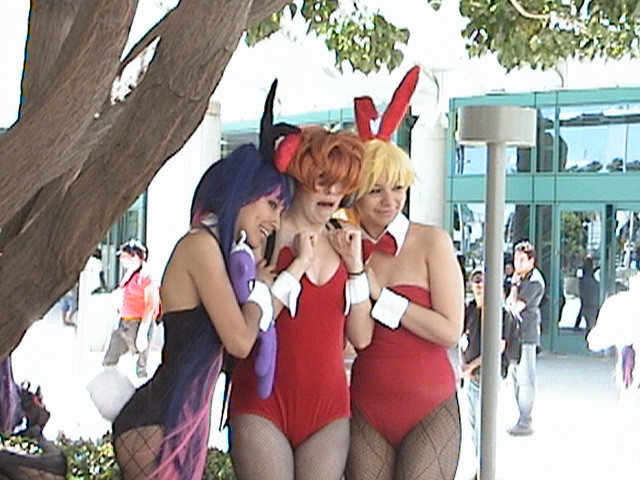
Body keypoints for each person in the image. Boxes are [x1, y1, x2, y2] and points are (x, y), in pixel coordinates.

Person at [110, 82, 293, 480]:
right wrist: (261, 290)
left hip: (178, 424)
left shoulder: (220, 256)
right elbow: (241, 340)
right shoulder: (200, 247)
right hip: (157, 424)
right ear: (241, 193)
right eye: (271, 204)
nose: (275, 220)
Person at [229, 125, 373, 480]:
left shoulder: (345, 241)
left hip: (328, 410)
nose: (331, 191)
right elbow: (250, 325)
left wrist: (356, 268)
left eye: (340, 183)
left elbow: (361, 337)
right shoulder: (267, 235)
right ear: (300, 177)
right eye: (321, 180)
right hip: (262, 402)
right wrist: (298, 265)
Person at [346, 66, 464, 480]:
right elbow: (351, 341)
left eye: (397, 187)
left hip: (431, 405)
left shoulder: (432, 242)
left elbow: (450, 331)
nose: (389, 200)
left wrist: (382, 297)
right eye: (375, 190)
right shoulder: (344, 248)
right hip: (366, 405)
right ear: (355, 194)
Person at [460, 267, 511, 480]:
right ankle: (479, 469)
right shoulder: (469, 310)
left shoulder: (499, 313)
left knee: (484, 429)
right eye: (476, 281)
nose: (479, 285)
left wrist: (471, 366)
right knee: (473, 428)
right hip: (469, 378)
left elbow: (497, 347)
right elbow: (461, 339)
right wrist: (464, 367)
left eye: (483, 280)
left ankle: (484, 471)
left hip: (486, 378)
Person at [102, 240, 159, 378]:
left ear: (135, 257)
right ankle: (108, 383)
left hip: (138, 323)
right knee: (109, 359)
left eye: (124, 256)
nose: (122, 260)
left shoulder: (146, 276)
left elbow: (150, 304)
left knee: (141, 365)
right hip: (124, 322)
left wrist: (143, 330)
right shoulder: (130, 274)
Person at [505, 240, 545, 436]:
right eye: (516, 259)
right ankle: (521, 417)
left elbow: (515, 306)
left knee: (525, 378)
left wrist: (514, 286)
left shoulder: (534, 282)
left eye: (522, 260)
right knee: (514, 378)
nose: (518, 264)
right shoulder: (519, 279)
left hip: (527, 335)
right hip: (514, 335)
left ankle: (525, 420)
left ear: (531, 261)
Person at [573, 256, 600, 332]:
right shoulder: (594, 282)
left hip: (586, 304)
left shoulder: (582, 281)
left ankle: (577, 327)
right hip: (592, 304)